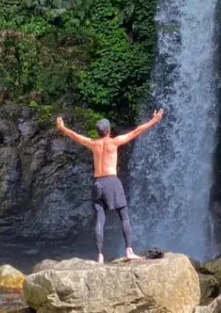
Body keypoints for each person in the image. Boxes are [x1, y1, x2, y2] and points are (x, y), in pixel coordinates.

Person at [56, 110, 164, 263]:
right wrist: (155, 120)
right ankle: (129, 251)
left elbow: (77, 136)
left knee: (100, 220)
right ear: (108, 131)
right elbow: (137, 131)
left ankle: (99, 255)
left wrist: (62, 127)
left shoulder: (93, 144)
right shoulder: (114, 142)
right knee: (124, 217)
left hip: (97, 183)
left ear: (98, 132)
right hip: (112, 182)